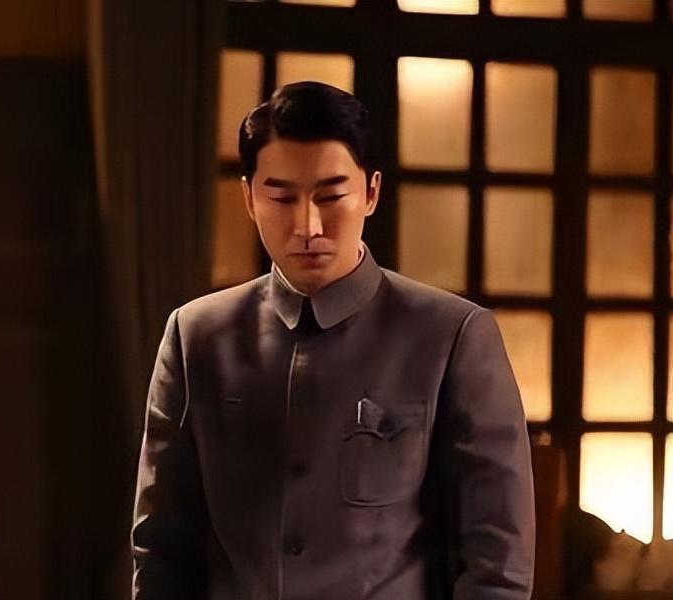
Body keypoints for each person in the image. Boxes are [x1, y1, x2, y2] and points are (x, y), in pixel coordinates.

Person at [131, 82, 535, 600]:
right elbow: (160, 549)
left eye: (330, 196)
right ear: (249, 198)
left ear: (371, 193)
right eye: (281, 197)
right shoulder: (197, 336)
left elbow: (497, 564)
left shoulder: (451, 335)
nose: (307, 225)